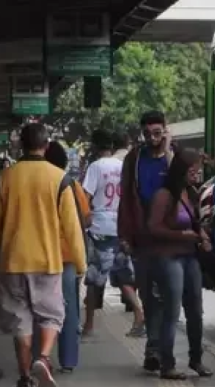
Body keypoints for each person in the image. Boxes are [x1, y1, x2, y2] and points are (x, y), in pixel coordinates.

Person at [0, 123, 85, 387]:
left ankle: (25, 376)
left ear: (20, 146)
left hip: (12, 262)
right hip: (48, 261)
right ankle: (44, 357)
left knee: (20, 321)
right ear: (46, 146)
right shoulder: (60, 179)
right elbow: (72, 228)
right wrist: (80, 263)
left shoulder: (5, 178)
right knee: (51, 315)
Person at [146, 149, 214, 380]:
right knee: (172, 311)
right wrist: (182, 235)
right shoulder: (164, 195)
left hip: (190, 256)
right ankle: (167, 364)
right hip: (169, 257)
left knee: (195, 310)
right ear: (181, 170)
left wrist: (201, 236)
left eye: (198, 171)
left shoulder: (191, 193)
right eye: (193, 171)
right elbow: (153, 227)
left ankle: (196, 359)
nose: (197, 174)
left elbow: (195, 223)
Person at [117, 111, 173, 373]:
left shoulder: (174, 156)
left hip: (170, 237)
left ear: (165, 131)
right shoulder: (134, 158)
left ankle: (161, 350)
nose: (152, 138)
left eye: (157, 133)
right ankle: (153, 349)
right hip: (142, 236)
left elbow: (183, 187)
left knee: (168, 295)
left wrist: (168, 151)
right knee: (149, 296)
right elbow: (126, 198)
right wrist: (125, 235)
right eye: (147, 134)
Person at [80, 129, 143, 337]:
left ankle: (89, 325)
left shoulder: (95, 167)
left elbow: (85, 197)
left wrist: (84, 220)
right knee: (122, 275)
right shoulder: (123, 166)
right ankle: (138, 312)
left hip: (100, 228)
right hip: (121, 227)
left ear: (95, 147)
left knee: (93, 277)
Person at [36, 141, 89, 373]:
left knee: (37, 309)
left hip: (36, 255)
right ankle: (68, 360)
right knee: (67, 308)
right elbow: (85, 218)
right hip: (66, 257)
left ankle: (38, 356)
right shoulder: (70, 184)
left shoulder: (32, 183)